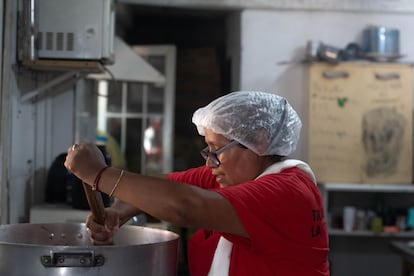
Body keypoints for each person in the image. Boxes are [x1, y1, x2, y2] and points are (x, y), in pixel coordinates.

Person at [64, 91, 330, 276]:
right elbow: (161, 187)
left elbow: (184, 206)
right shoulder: (231, 177)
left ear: (259, 142)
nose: (210, 163)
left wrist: (98, 174)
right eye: (208, 150)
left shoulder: (285, 193)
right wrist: (118, 213)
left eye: (218, 149)